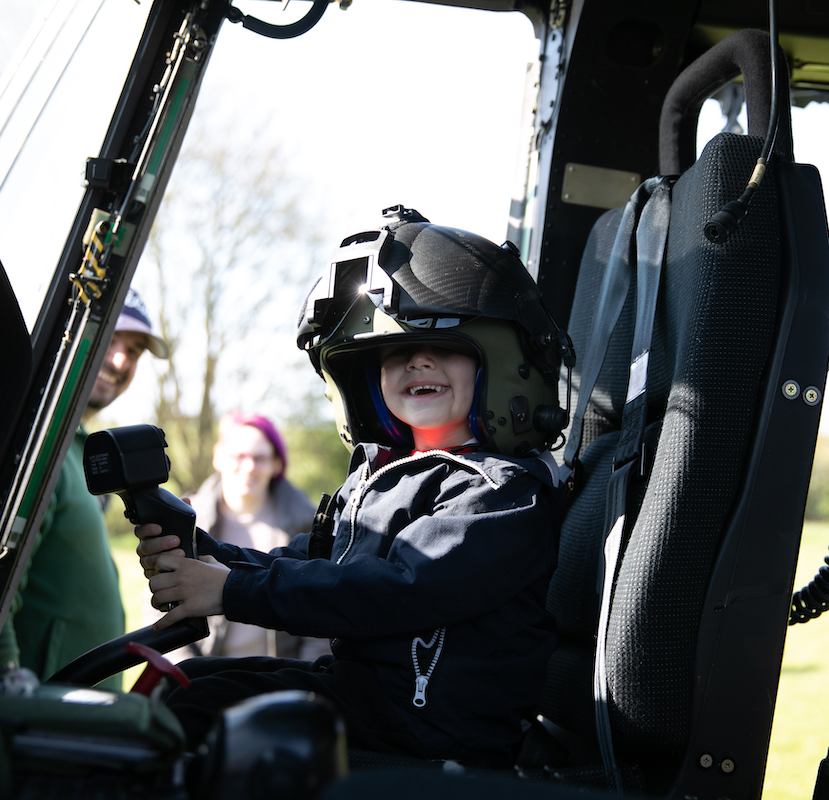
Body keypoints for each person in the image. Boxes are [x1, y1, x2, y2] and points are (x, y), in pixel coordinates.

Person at [134, 205, 574, 768]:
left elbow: (397, 590)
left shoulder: (502, 494)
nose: (416, 361)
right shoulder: (379, 477)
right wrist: (204, 556)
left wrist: (229, 593)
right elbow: (301, 563)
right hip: (366, 698)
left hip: (431, 733)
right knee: (186, 685)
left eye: (443, 346)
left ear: (504, 361)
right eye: (393, 353)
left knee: (200, 709)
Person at [0, 288, 168, 690]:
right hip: (31, 724)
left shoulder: (81, 451)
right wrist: (5, 681)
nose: (121, 360)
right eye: (113, 339)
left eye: (135, 350)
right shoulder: (39, 444)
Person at [148, 411, 328, 661]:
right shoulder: (188, 520)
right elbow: (163, 608)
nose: (249, 466)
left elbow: (319, 613)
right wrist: (188, 675)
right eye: (239, 456)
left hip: (282, 679)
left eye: (260, 457)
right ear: (218, 457)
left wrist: (303, 684)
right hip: (202, 679)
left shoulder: (308, 524)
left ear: (277, 464)